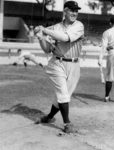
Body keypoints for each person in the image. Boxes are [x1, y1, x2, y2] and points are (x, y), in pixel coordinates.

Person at [34, 1, 84, 133]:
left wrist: (44, 30)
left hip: (74, 65)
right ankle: (67, 124)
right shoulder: (55, 27)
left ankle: (49, 117)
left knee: (63, 96)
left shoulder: (79, 25)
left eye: (76, 11)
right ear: (65, 11)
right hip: (57, 63)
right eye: (72, 10)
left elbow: (65, 38)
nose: (74, 13)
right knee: (63, 94)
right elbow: (47, 50)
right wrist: (40, 38)